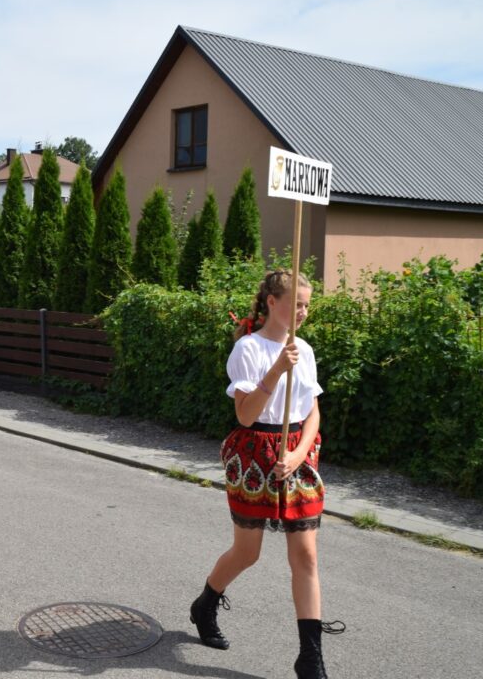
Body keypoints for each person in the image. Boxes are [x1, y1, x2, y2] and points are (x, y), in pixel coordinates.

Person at [190, 270, 333, 679]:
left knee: (305, 555)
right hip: (253, 454)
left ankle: (310, 659)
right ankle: (205, 605)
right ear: (272, 302)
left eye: (308, 304)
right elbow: (245, 415)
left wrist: (300, 452)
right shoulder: (248, 349)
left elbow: (313, 411)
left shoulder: (304, 349)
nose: (304, 312)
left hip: (297, 457)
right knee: (247, 553)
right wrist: (275, 371)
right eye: (297, 303)